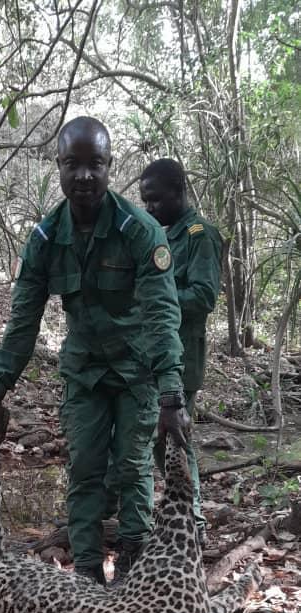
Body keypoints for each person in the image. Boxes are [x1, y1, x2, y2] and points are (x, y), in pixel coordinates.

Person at [0, 117, 188, 584]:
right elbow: (22, 320)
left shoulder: (141, 231)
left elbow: (161, 315)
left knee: (134, 469)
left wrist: (172, 396)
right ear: (58, 167)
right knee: (86, 472)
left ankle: (134, 572)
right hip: (85, 372)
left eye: (95, 164)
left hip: (137, 370)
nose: (84, 176)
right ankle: (88, 579)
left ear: (109, 166)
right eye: (72, 165)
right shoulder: (45, 238)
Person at [107, 158, 222, 549]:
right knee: (155, 441)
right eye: (144, 201)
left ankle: (194, 523)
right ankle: (174, 517)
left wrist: (159, 299)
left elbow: (204, 296)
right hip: (153, 357)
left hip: (183, 357)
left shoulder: (199, 235)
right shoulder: (163, 236)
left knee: (177, 439)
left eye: (156, 199)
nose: (150, 208)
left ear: (179, 191)